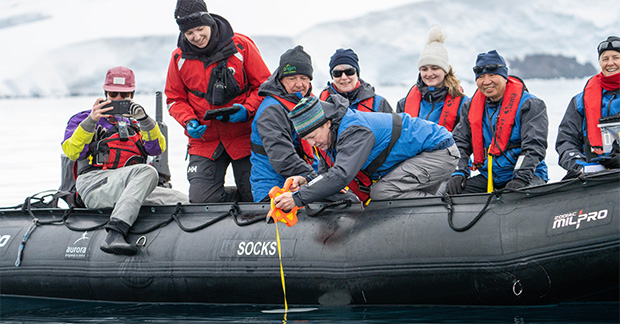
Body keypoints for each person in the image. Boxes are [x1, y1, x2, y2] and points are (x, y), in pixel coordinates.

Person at [165, 0, 271, 203]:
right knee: (202, 202)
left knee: (257, 197)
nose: (196, 37)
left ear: (210, 23)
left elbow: (265, 87)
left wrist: (247, 110)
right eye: (189, 33)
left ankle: (244, 195)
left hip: (245, 137)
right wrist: (188, 121)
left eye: (200, 29)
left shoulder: (241, 46)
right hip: (205, 141)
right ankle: (231, 200)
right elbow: (174, 99)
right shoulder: (178, 58)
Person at [273, 96, 460, 210]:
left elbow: (342, 175)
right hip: (418, 157)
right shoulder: (330, 138)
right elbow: (326, 176)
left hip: (438, 151)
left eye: (314, 136)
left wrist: (298, 198)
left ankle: (442, 209)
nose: (313, 143)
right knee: (384, 193)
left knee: (382, 193)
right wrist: (306, 181)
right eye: (307, 140)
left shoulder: (354, 131)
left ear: (327, 123)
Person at [62, 66, 169, 255]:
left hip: (131, 188)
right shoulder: (82, 119)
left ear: (132, 95)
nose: (119, 99)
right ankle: (115, 233)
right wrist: (91, 121)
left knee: (181, 200)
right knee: (147, 171)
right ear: (105, 93)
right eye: (114, 94)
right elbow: (72, 152)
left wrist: (145, 120)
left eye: (125, 95)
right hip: (96, 185)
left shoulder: (137, 123)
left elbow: (157, 148)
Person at [445, 50, 549, 195]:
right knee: (451, 194)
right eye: (481, 77)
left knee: (515, 198)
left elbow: (534, 147)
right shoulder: (470, 107)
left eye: (492, 75)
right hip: (491, 177)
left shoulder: (530, 104)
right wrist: (459, 172)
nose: (486, 81)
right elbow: (460, 143)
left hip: (527, 176)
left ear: (504, 76)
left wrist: (520, 178)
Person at [249, 45, 323, 202]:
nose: (299, 84)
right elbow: (283, 159)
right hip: (274, 188)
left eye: (303, 78)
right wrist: (316, 180)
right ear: (280, 80)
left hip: (303, 181)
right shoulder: (271, 111)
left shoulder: (308, 102)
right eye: (291, 78)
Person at [556, 36, 620, 178]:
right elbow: (566, 140)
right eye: (605, 59)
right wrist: (579, 166)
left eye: (616, 57)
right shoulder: (580, 101)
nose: (610, 63)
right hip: (591, 174)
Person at [396, 25, 468, 132]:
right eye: (424, 69)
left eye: (435, 68)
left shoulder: (463, 104)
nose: (429, 74)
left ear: (445, 70)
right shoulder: (403, 104)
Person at [319, 48, 392, 113]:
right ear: (332, 76)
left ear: (357, 73)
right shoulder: (321, 102)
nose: (344, 77)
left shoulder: (379, 104)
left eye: (349, 71)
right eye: (337, 73)